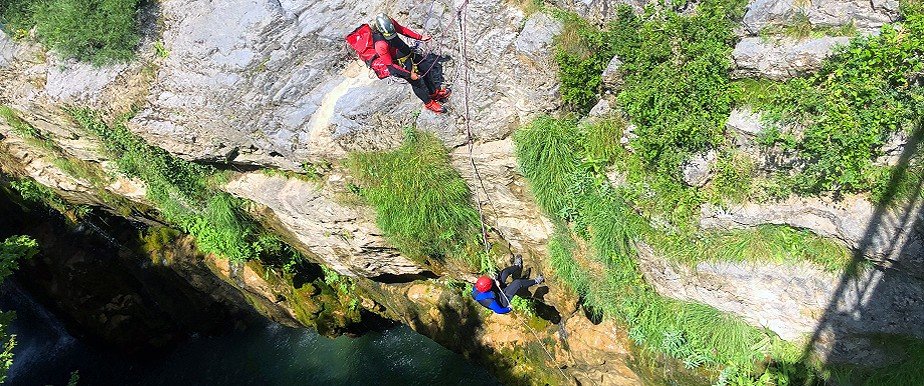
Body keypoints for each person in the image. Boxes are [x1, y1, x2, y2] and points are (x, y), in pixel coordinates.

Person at [370, 13, 450, 114]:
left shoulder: (390, 24)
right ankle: (428, 103)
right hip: (400, 64)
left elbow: (402, 30)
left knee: (425, 68)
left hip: (407, 53)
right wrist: (409, 74)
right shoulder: (380, 45)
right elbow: (391, 66)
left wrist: (420, 37)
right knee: (417, 83)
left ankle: (433, 93)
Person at [472, 255, 544, 314]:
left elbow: (489, 283)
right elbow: (499, 311)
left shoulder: (477, 287)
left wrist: (494, 281)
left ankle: (517, 266)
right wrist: (509, 308)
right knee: (517, 283)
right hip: (502, 299)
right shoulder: (489, 301)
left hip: (494, 290)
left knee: (504, 273)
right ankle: (536, 281)